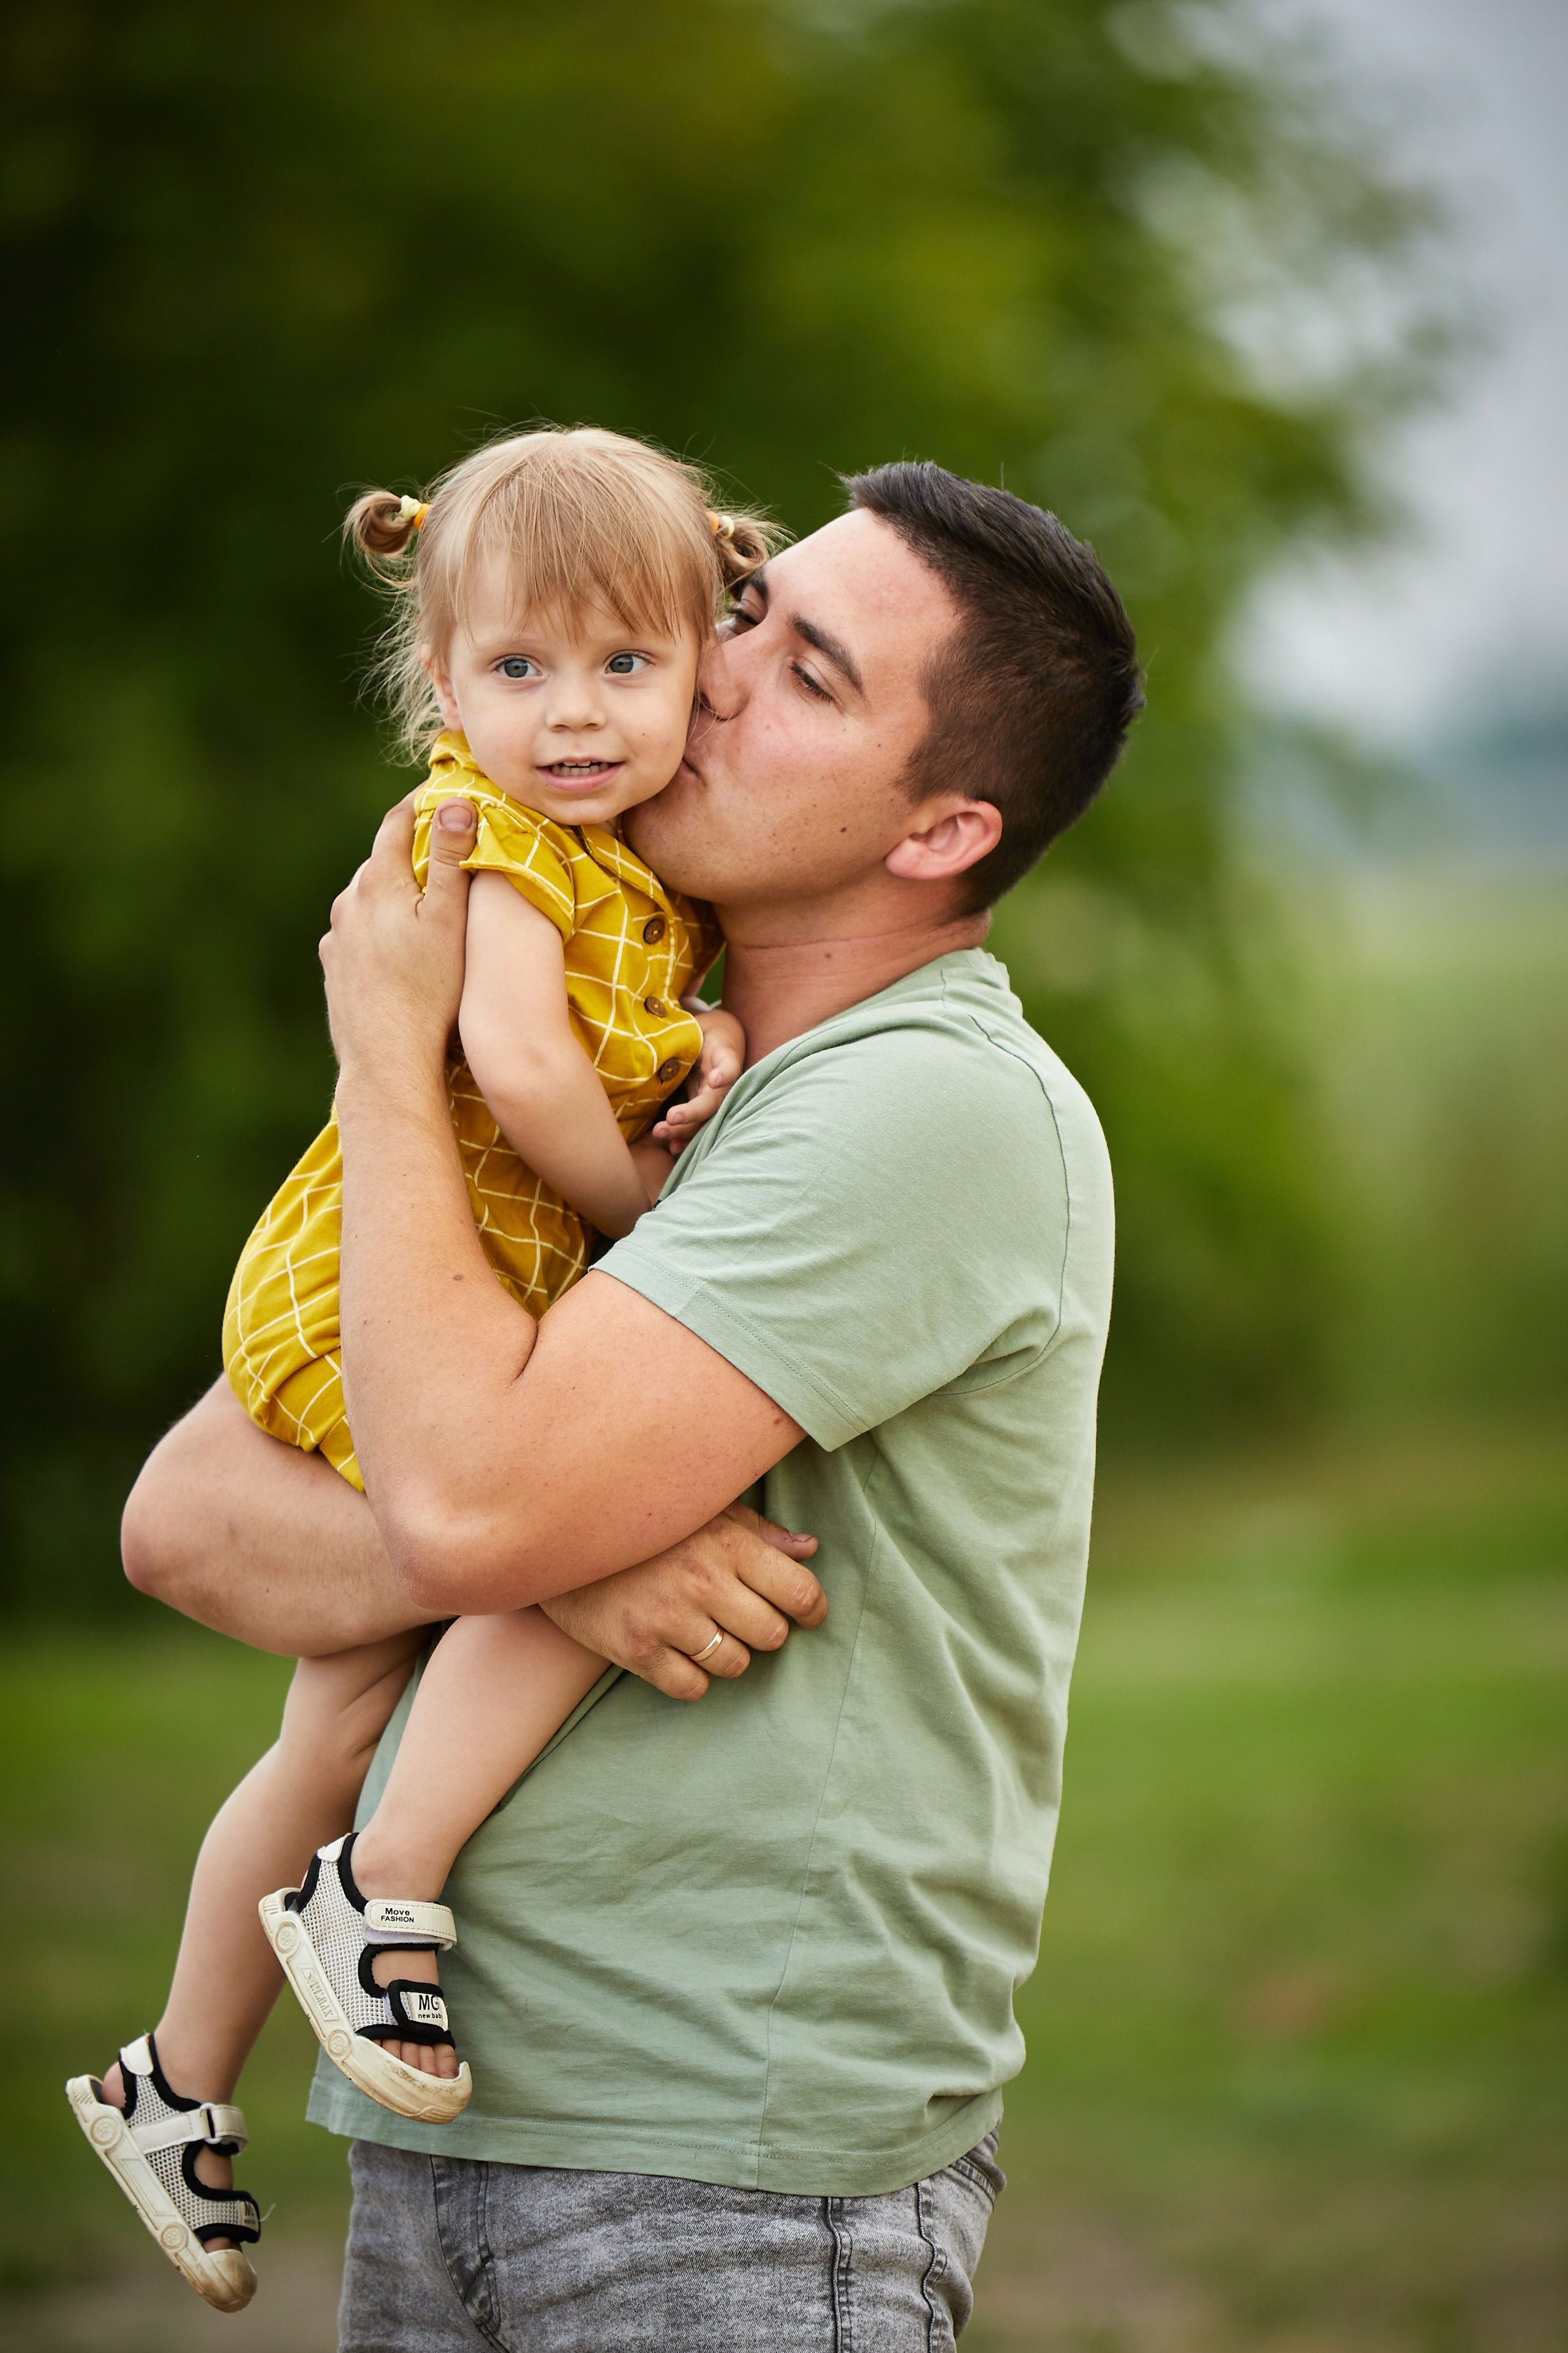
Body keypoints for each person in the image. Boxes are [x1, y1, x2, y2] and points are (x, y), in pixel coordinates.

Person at [121, 459, 1139, 2350]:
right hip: (450, 2121)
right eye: (752, 612)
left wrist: (384, 1059)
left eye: (812, 673)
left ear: (941, 831)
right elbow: (191, 1517)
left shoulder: (918, 1106)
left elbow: (462, 1513)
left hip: (721, 2169)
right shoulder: (653, 1063)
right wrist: (587, 1563)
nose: (713, 668)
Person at [67, 427, 791, 2309]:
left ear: (701, 660)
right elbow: (531, 1069)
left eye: (625, 667)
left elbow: (632, 1029)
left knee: (330, 1705)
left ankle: (173, 2074)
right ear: (441, 677)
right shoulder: (492, 841)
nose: (572, 714)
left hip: (443, 1282)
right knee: (570, 1544)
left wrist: (705, 1036)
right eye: (517, 670)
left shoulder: (639, 872)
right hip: (349, 1295)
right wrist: (645, 1201)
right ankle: (375, 1891)